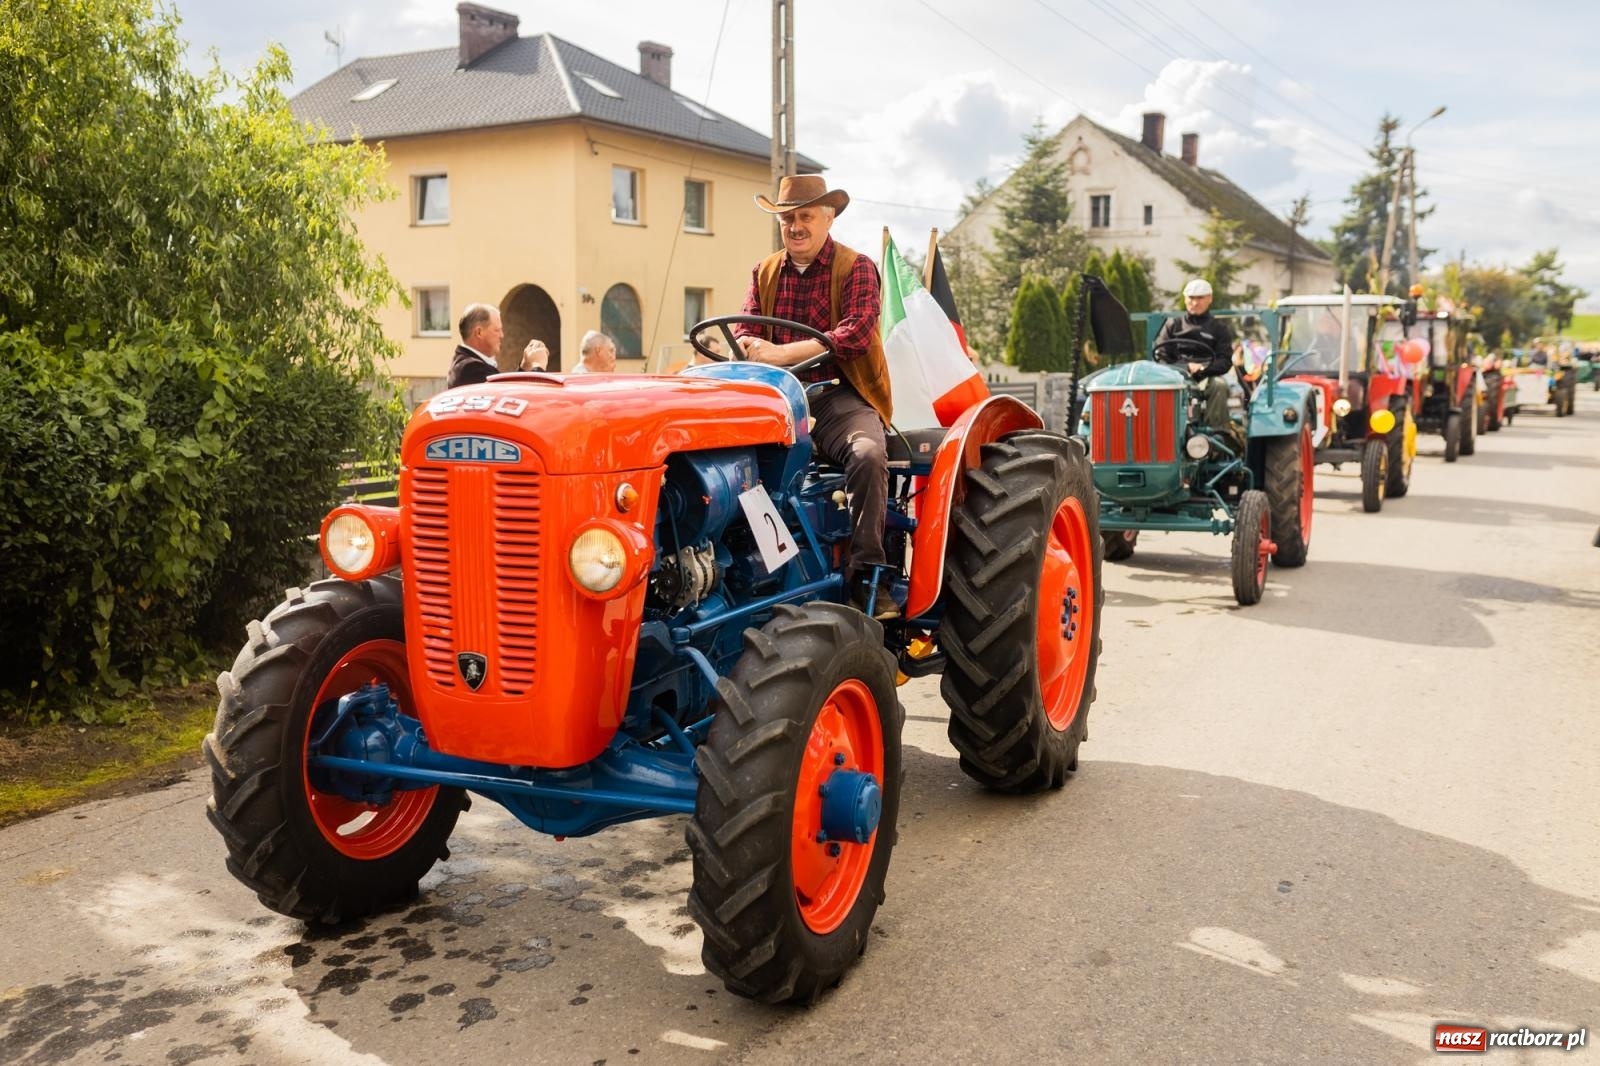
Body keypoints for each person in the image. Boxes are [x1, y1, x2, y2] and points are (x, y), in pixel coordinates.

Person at [733, 174, 896, 619]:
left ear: (828, 218)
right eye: (788, 219)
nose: (795, 226)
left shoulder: (856, 267)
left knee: (866, 455)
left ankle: (867, 573)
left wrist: (783, 352)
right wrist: (750, 346)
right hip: (780, 400)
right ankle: (750, 568)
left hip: (840, 395)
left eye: (805, 216)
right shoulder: (764, 271)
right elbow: (744, 329)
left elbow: (857, 334)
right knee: (730, 468)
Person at [1154, 279, 1235, 433]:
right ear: (1185, 299)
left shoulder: (1219, 329)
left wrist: (1204, 368)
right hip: (1177, 374)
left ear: (1209, 298)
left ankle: (1216, 434)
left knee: (1219, 385)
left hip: (1207, 375)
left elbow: (1224, 360)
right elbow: (1161, 356)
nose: (1195, 302)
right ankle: (1162, 432)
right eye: (1191, 298)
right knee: (1156, 387)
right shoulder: (1172, 325)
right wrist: (1184, 367)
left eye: (1200, 298)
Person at [447, 304, 504, 388]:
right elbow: (506, 392)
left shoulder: (463, 362)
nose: (502, 335)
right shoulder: (472, 369)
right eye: (497, 330)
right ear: (479, 332)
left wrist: (525, 366)